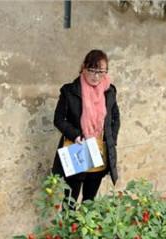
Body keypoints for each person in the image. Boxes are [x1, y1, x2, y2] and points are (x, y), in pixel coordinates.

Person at [51, 49, 120, 205]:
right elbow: (58, 119)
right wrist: (76, 135)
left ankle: (85, 228)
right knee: (70, 201)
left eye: (101, 72)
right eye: (92, 70)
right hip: (78, 149)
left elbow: (115, 117)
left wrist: (111, 139)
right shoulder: (69, 91)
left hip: (100, 150)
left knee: (90, 200)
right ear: (83, 67)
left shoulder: (109, 91)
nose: (96, 76)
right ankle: (70, 229)